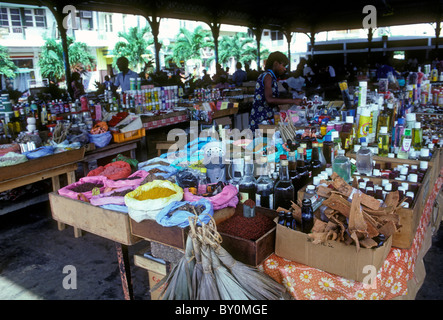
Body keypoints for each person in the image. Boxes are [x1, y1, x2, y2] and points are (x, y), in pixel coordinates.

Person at [250, 51, 302, 131]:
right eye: (283, 65)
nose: (284, 69)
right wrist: (293, 101)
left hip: (266, 118)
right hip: (262, 120)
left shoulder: (270, 76)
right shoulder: (268, 76)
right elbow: (269, 99)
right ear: (276, 63)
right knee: (262, 143)